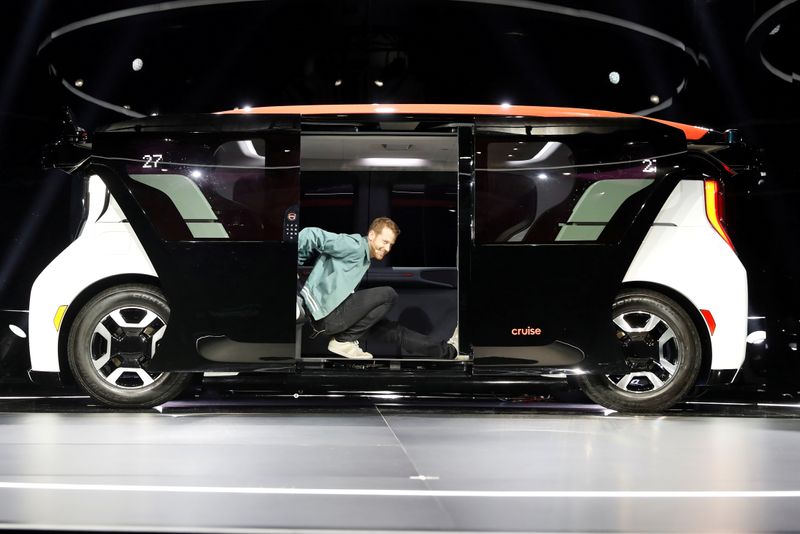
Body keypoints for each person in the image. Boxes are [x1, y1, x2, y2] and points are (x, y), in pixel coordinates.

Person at [298, 217, 458, 360]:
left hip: (335, 316)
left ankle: (449, 352)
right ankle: (343, 341)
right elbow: (310, 235)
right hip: (327, 317)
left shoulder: (364, 259)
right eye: (385, 242)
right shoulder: (354, 246)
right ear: (372, 235)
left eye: (391, 244)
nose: (387, 248)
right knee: (388, 295)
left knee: (395, 332)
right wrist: (292, 269)